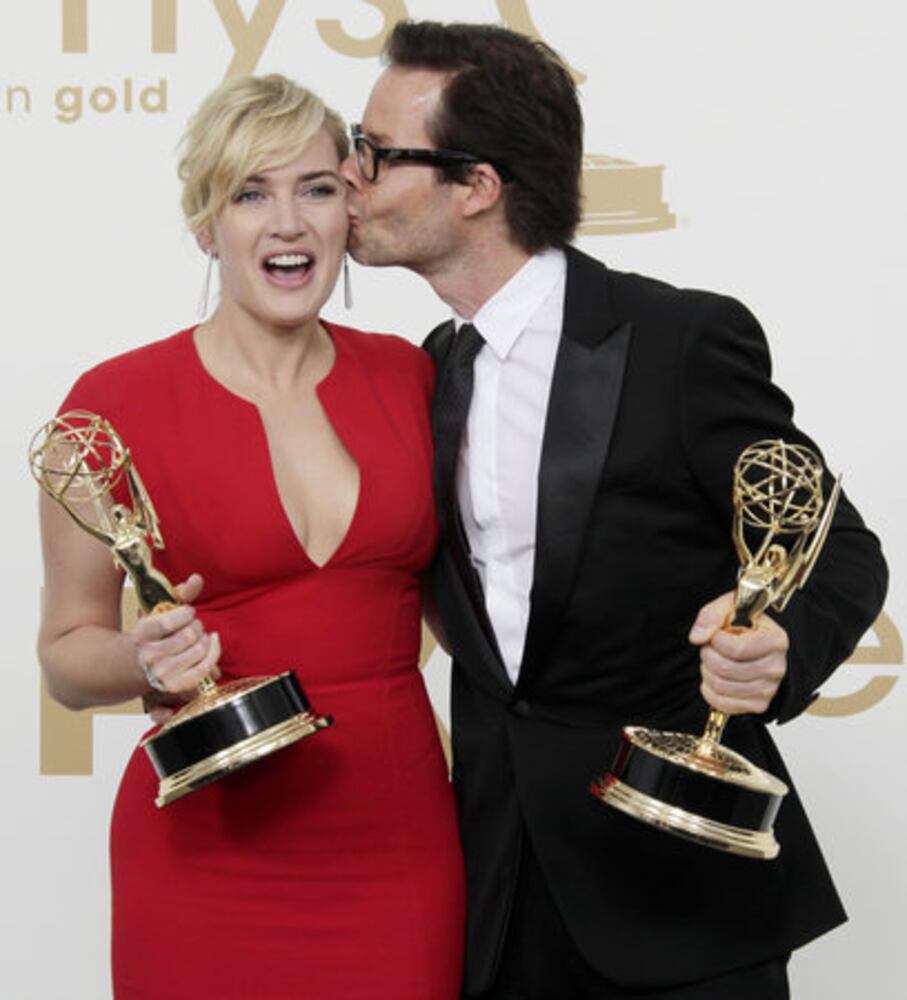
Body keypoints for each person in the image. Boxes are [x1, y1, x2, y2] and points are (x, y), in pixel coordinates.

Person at [340, 20, 889, 1000]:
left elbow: (837, 547)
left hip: (674, 883)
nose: (351, 175)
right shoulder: (432, 368)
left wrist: (781, 648)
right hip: (498, 895)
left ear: (476, 185)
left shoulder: (676, 341)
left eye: (377, 152)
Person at [37, 73, 465, 1000]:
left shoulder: (413, 378)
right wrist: (143, 660)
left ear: (350, 210)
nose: (288, 224)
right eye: (250, 194)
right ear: (206, 225)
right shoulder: (111, 403)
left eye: (316, 189)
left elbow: (476, 606)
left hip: (397, 849)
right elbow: (67, 656)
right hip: (203, 856)